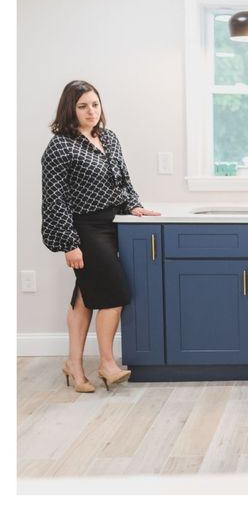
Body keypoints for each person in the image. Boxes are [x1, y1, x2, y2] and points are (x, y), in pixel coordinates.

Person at [41, 80, 160, 392]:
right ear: (70, 109)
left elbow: (123, 179)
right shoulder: (60, 146)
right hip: (84, 228)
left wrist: (134, 205)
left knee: (85, 297)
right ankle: (107, 363)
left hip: (112, 224)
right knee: (114, 296)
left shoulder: (108, 137)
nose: (91, 111)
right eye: (83, 106)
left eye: (94, 104)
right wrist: (69, 243)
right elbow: (55, 199)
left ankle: (74, 364)